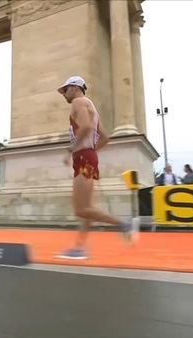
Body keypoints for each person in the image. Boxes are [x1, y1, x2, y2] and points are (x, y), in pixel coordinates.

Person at [54, 76, 138, 260]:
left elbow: (85, 127)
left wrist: (72, 150)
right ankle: (80, 248)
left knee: (80, 209)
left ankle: (124, 224)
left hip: (83, 157)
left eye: (65, 90)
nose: (64, 95)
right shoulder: (90, 106)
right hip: (88, 156)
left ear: (75, 88)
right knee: (87, 208)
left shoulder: (78, 102)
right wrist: (91, 151)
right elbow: (105, 137)